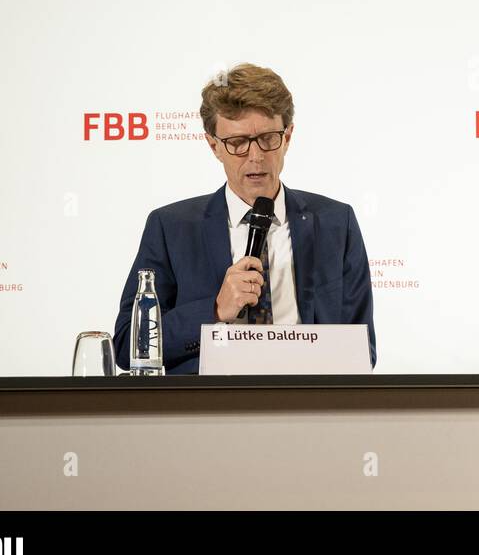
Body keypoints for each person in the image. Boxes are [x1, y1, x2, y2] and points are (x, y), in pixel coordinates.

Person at [113, 64, 375, 374]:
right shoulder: (171, 228)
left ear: (288, 136)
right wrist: (214, 309)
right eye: (237, 143)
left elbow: (362, 349)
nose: (255, 157)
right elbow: (129, 346)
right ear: (214, 146)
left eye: (268, 139)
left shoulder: (336, 222)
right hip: (208, 411)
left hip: (307, 406)